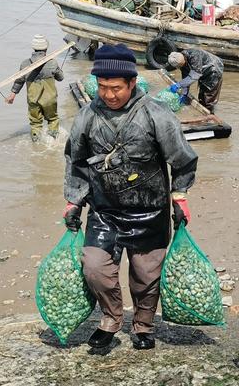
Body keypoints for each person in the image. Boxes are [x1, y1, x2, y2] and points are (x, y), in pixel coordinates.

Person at [63, 43, 198, 350]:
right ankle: (111, 318)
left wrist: (179, 196)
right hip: (104, 210)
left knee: (146, 276)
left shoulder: (156, 115)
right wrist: (74, 201)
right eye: (103, 88)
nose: (109, 95)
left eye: (116, 88)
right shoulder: (87, 117)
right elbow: (75, 161)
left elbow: (183, 158)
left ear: (133, 83)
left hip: (149, 210)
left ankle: (143, 324)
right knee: (94, 267)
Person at [6, 35, 64, 142]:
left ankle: (36, 143)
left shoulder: (25, 64)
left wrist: (12, 95)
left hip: (33, 99)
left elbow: (19, 81)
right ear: (46, 48)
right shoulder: (52, 62)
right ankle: (52, 142)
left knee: (35, 123)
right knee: (52, 119)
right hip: (50, 100)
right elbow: (61, 78)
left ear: (33, 48)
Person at [166, 49, 224, 113]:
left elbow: (195, 76)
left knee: (209, 98)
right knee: (202, 96)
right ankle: (203, 108)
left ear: (184, 60)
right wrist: (184, 94)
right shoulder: (182, 58)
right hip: (203, 71)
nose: (180, 67)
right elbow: (186, 77)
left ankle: (209, 115)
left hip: (214, 70)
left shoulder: (194, 56)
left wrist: (178, 85)